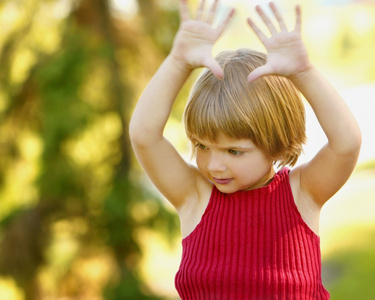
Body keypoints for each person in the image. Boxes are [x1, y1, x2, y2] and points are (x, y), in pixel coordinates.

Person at [129, 0, 361, 299]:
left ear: (275, 140)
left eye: (233, 151)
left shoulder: (303, 192)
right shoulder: (194, 196)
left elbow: (347, 143)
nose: (213, 165)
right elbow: (144, 136)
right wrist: (178, 62)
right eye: (201, 145)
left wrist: (303, 72)